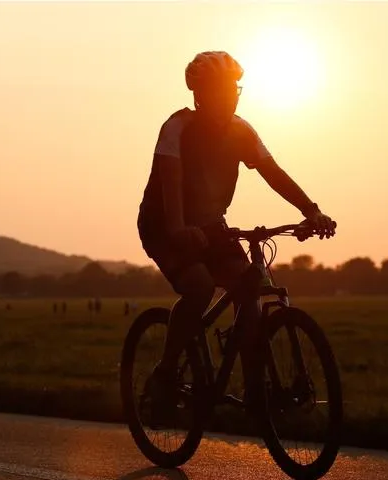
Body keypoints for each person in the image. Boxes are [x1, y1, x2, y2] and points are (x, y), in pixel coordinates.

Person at [136, 51, 336, 426]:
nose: (229, 97)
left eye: (233, 89)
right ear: (199, 94)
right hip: (164, 223)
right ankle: (165, 375)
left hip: (211, 225)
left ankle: (254, 389)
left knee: (249, 284)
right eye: (219, 90)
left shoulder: (241, 131)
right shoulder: (178, 127)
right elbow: (171, 182)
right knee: (197, 287)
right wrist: (179, 230)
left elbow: (273, 173)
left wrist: (311, 211)